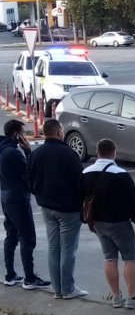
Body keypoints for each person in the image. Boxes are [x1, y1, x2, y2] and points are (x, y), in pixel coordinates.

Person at [82, 138, 135, 309]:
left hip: (97, 222)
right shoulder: (120, 174)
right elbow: (132, 200)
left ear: (98, 153)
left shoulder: (86, 172)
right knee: (130, 258)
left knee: (109, 258)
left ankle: (116, 297)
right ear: (114, 152)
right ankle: (132, 298)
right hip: (119, 222)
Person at [27, 119, 86, 299]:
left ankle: (57, 289)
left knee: (54, 249)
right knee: (68, 249)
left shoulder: (36, 154)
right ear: (59, 132)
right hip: (68, 209)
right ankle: (68, 289)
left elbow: (29, 180)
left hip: (47, 207)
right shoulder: (68, 154)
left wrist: (40, 195)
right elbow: (80, 181)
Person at [0, 119, 50, 289]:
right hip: (18, 197)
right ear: (17, 134)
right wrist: (28, 151)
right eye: (23, 132)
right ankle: (29, 277)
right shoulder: (13, 153)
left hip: (5, 194)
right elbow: (29, 171)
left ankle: (10, 274)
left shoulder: (2, 149)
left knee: (12, 234)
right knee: (27, 236)